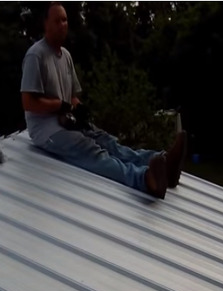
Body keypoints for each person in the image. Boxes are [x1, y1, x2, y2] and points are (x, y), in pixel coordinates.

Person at [20, 2, 187, 199]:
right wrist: (59, 105)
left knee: (109, 142)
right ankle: (145, 180)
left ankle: (164, 163)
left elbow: (72, 96)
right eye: (57, 21)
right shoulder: (35, 55)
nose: (62, 25)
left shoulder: (65, 56)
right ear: (45, 23)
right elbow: (29, 103)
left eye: (64, 20)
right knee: (93, 152)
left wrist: (79, 109)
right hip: (47, 130)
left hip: (67, 121)